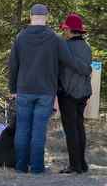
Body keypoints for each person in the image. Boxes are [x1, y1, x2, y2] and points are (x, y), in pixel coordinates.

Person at [8, 4, 92, 174]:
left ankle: (21, 166)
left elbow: (13, 65)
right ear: (46, 17)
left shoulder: (20, 37)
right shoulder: (55, 39)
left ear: (30, 16)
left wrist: (12, 88)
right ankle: (37, 167)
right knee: (39, 129)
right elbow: (69, 61)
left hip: (24, 89)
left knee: (23, 128)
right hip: (46, 91)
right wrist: (86, 69)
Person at [58, 13, 92, 174]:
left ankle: (75, 166)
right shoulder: (86, 47)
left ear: (70, 30)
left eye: (65, 29)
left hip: (68, 93)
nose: (64, 31)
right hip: (84, 93)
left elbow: (60, 70)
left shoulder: (65, 46)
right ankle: (82, 164)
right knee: (79, 127)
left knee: (71, 130)